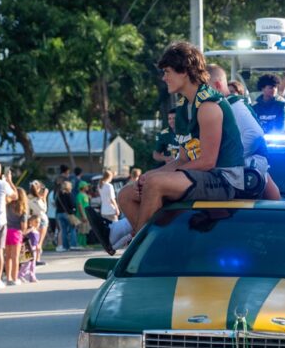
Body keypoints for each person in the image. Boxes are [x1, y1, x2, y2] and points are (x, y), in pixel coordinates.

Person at [91, 41, 245, 255]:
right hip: (200, 175)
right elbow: (182, 158)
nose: (164, 77)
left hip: (224, 179)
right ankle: (161, 250)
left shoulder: (209, 106)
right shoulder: (183, 105)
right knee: (127, 193)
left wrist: (159, 178)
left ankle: (139, 252)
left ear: (185, 72)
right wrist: (150, 174)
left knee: (154, 184)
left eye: (168, 72)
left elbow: (209, 161)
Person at [207, 64, 281, 200]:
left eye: (203, 88)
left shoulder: (232, 105)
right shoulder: (225, 105)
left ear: (217, 85)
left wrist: (227, 159)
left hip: (248, 167)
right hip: (251, 163)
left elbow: (254, 135)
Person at [5, 187, 29, 286]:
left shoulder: (7, 205)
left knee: (8, 257)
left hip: (6, 231)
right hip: (16, 233)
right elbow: (23, 226)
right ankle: (15, 278)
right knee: (15, 257)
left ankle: (8, 277)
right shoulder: (22, 209)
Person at [28, 180, 49, 266]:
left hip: (31, 219)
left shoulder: (27, 197)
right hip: (41, 220)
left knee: (31, 241)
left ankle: (30, 258)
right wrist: (44, 197)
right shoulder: (38, 199)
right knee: (39, 241)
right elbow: (44, 209)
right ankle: (37, 259)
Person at [55, 181, 78, 252]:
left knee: (63, 230)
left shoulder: (58, 195)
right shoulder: (69, 194)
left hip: (59, 214)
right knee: (72, 229)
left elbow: (56, 204)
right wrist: (74, 210)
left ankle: (65, 246)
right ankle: (73, 245)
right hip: (68, 213)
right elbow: (72, 204)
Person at [18, 215, 41, 283]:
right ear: (31, 222)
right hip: (27, 249)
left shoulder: (37, 231)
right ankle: (20, 275)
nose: (38, 224)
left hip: (33, 250)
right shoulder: (30, 230)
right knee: (26, 264)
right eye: (36, 222)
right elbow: (24, 233)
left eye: (39, 222)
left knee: (33, 264)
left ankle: (32, 277)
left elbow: (36, 241)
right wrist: (30, 229)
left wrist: (38, 246)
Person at [76, 181, 91, 247]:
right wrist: (83, 215)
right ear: (83, 187)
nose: (88, 187)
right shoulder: (79, 195)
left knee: (85, 230)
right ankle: (80, 244)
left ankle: (84, 244)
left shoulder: (85, 195)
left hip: (86, 214)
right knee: (81, 230)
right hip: (82, 215)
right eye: (86, 186)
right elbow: (80, 205)